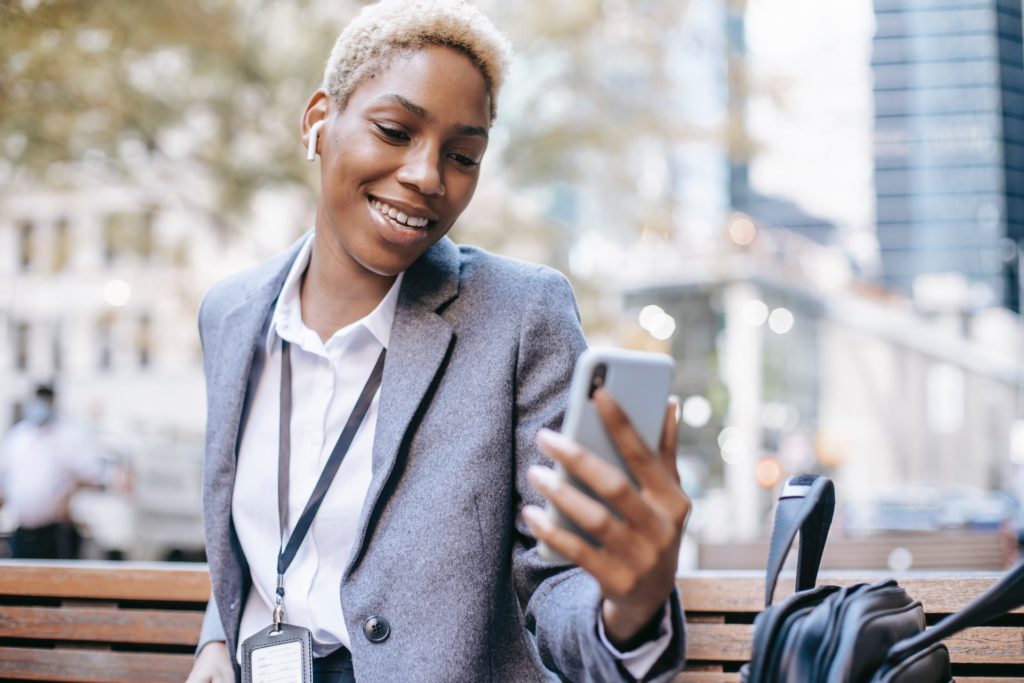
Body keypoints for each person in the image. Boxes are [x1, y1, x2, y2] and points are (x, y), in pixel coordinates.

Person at [187, 1, 691, 681]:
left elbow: (559, 580)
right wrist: (219, 638)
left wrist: (630, 602)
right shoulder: (230, 313)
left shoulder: (521, 315)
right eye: (395, 130)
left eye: (463, 155)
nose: (429, 175)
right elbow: (250, 532)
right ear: (317, 122)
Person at [0, 384, 113, 559]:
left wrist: (70, 491)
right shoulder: (18, 437)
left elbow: (95, 475)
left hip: (57, 531)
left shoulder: (70, 435)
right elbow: (7, 480)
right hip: (21, 530)